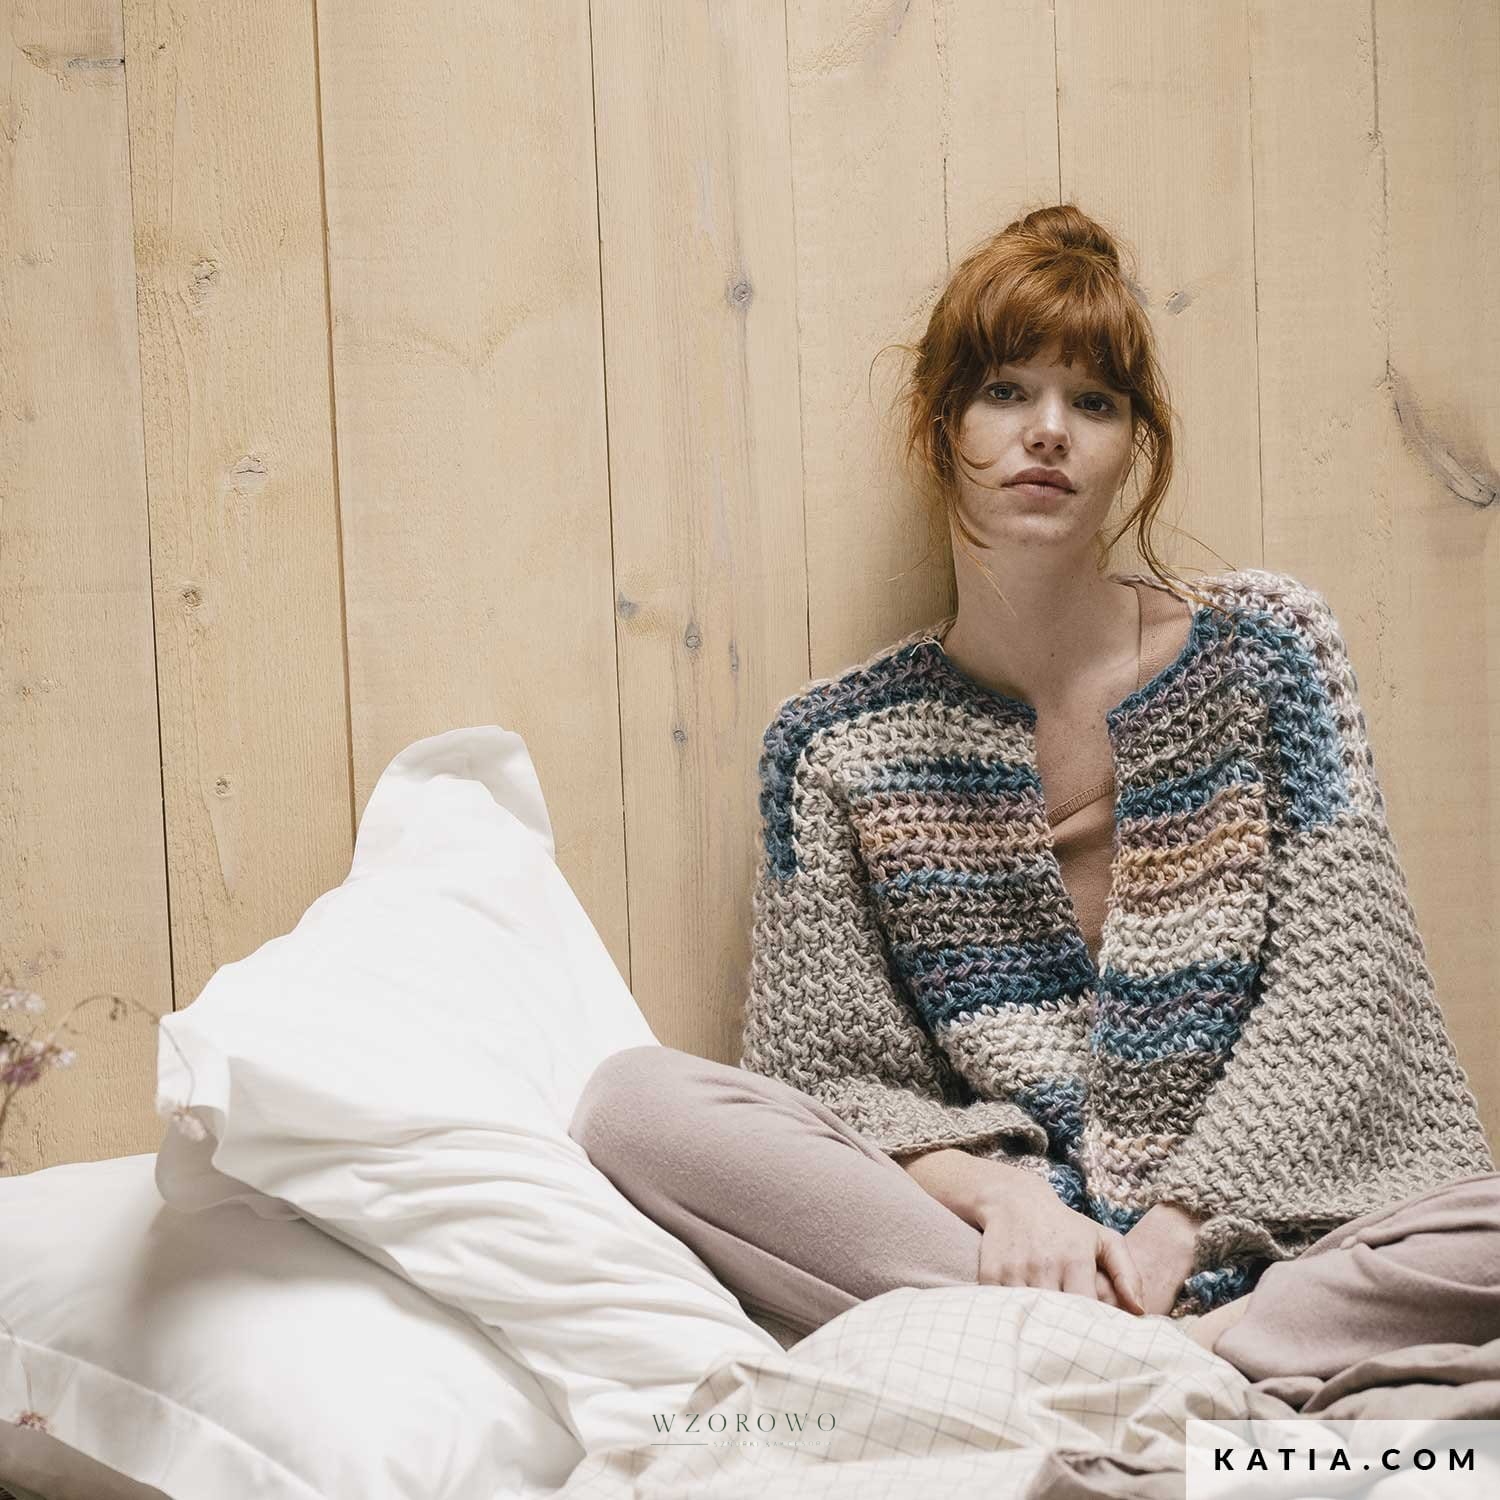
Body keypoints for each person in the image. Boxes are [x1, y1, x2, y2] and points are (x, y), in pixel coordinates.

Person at [568, 203, 1498, 1377]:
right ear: (939, 425)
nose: (1048, 432)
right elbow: (830, 1077)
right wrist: (1006, 1199)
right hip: (1009, 1255)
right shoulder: (834, 749)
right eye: (1006, 391)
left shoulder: (1269, 655)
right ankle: (1162, 1357)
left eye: (1093, 402)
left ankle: (1143, 1353)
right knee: (636, 1108)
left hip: (1277, 1235)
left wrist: (1181, 1224)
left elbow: (1345, 992)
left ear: (1132, 444)